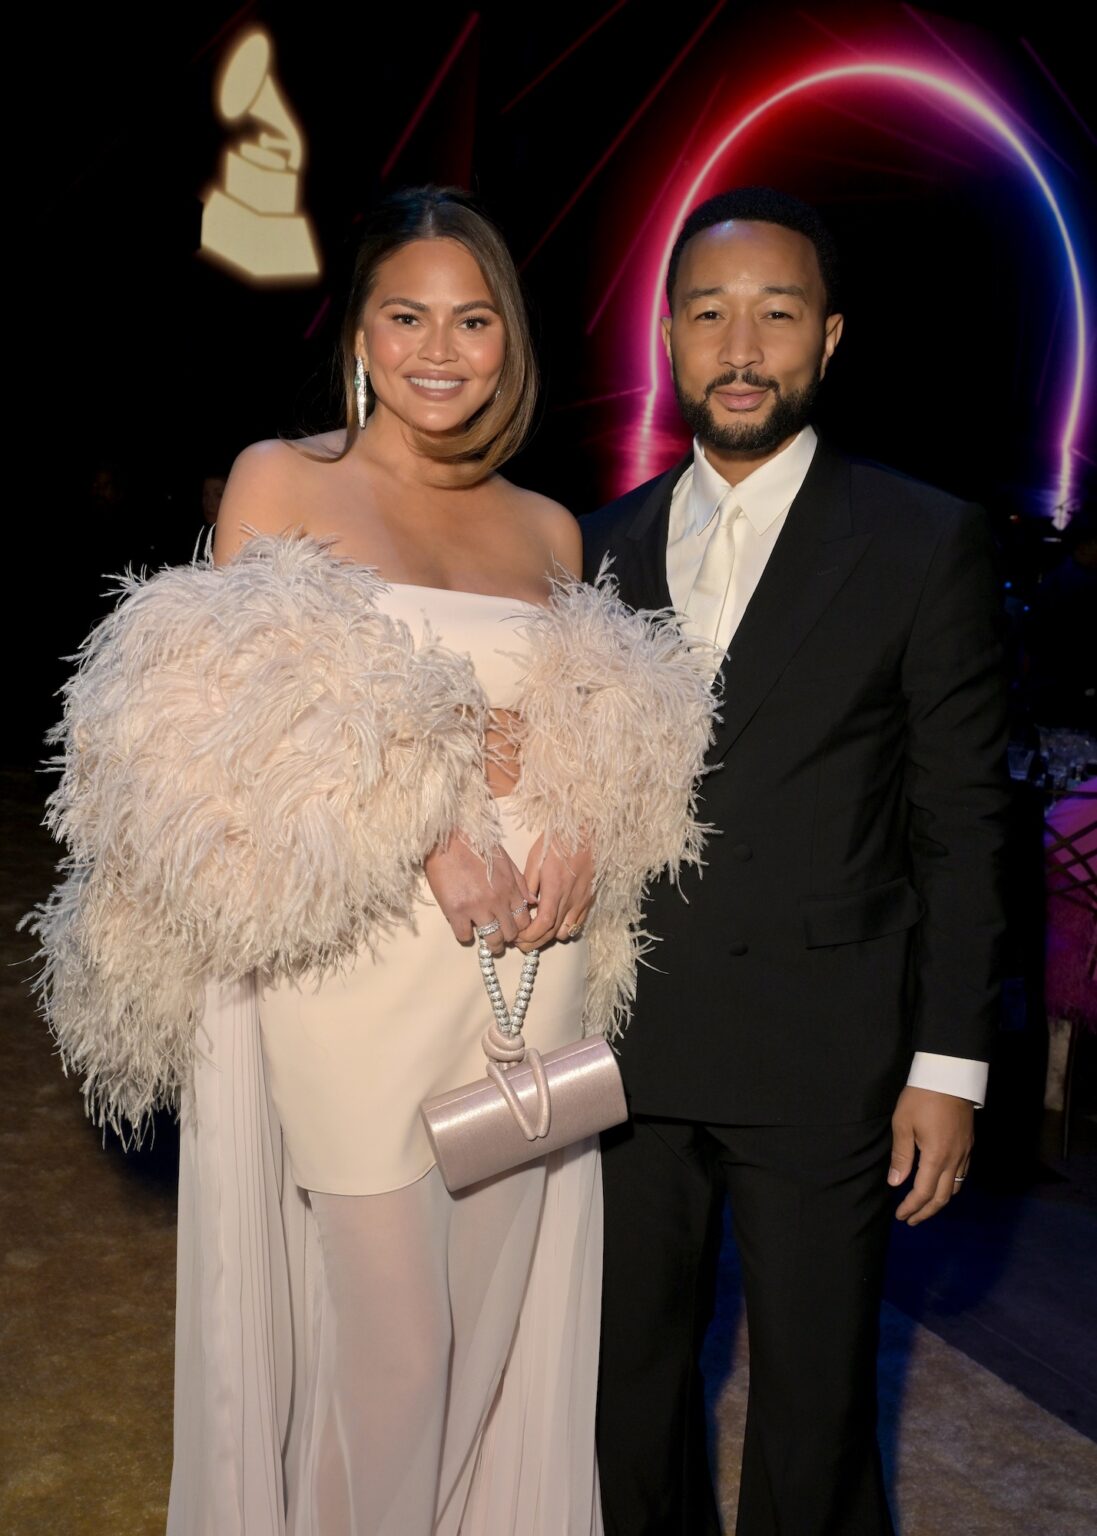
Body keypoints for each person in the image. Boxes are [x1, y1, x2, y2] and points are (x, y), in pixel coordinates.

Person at [27, 186, 716, 1534]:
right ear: (360, 333)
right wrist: (421, 828)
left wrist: (582, 812)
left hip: (532, 960)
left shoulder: (547, 529)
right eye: (407, 316)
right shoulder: (284, 480)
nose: (440, 349)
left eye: (472, 319)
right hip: (352, 957)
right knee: (394, 1341)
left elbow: (591, 724)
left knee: (494, 1322)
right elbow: (218, 733)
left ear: (509, 342)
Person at [582, 186, 1010, 1535]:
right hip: (628, 1041)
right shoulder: (597, 545)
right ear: (667, 337)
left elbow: (960, 818)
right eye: (709, 314)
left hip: (826, 1049)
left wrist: (945, 1065)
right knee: (625, 1388)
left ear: (828, 339)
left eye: (776, 313)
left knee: (814, 1405)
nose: (741, 345)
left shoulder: (919, 537)